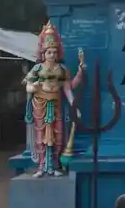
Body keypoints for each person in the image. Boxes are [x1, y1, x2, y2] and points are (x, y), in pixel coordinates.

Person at [24, 22, 84, 178]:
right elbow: (28, 86)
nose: (52, 55)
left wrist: (79, 75)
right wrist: (33, 87)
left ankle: (54, 165)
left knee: (57, 134)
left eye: (54, 52)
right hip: (40, 104)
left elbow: (68, 89)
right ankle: (42, 165)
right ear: (43, 53)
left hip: (55, 104)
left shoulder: (62, 70)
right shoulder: (37, 69)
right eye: (49, 52)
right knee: (41, 135)